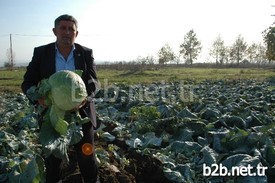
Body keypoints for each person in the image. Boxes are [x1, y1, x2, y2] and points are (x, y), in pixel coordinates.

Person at [21, 14, 99, 183]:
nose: (67, 32)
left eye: (71, 29)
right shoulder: (41, 53)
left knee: (87, 157)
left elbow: (94, 83)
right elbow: (27, 82)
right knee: (53, 161)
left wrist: (85, 99)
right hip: (52, 115)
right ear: (55, 31)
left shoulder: (85, 53)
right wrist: (38, 99)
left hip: (81, 115)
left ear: (76, 33)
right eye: (63, 28)